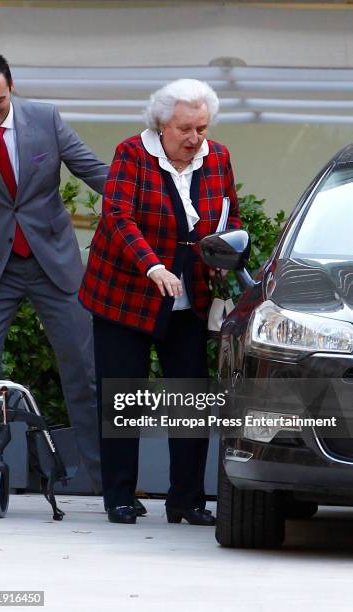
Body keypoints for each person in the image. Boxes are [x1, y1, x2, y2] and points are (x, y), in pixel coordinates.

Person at [80, 78, 241, 524]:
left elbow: (229, 214)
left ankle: (186, 500)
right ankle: (119, 497)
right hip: (125, 294)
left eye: (202, 129)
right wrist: (153, 266)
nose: (194, 139)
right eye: (185, 129)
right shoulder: (133, 153)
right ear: (161, 124)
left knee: (189, 396)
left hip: (190, 295)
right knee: (123, 396)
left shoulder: (219, 156)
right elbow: (117, 216)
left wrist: (223, 256)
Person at [0, 50, 109, 494]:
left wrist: (147, 198)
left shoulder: (45, 120)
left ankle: (102, 480)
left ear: (11, 86)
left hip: (53, 263)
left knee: (84, 370)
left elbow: (92, 170)